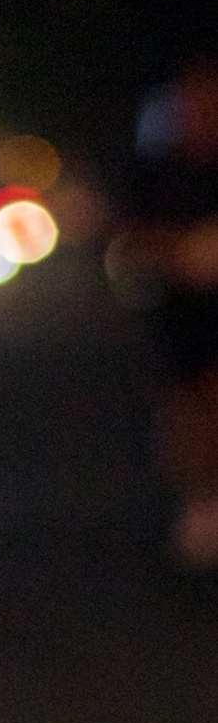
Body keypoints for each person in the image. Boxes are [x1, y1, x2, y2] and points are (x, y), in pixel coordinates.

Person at [118, 62, 218, 569]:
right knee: (189, 414)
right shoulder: (161, 174)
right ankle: (203, 504)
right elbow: (130, 240)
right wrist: (181, 252)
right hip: (184, 318)